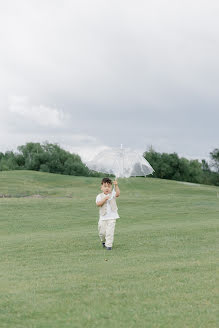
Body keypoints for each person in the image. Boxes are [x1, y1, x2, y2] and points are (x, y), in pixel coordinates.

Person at [96, 177, 120, 250]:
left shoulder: (112, 194)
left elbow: (118, 194)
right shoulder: (99, 196)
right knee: (102, 232)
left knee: (110, 232)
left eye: (109, 187)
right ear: (101, 187)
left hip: (112, 217)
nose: (107, 188)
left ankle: (109, 245)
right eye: (105, 186)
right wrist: (104, 199)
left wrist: (116, 185)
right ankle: (103, 241)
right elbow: (98, 204)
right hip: (103, 217)